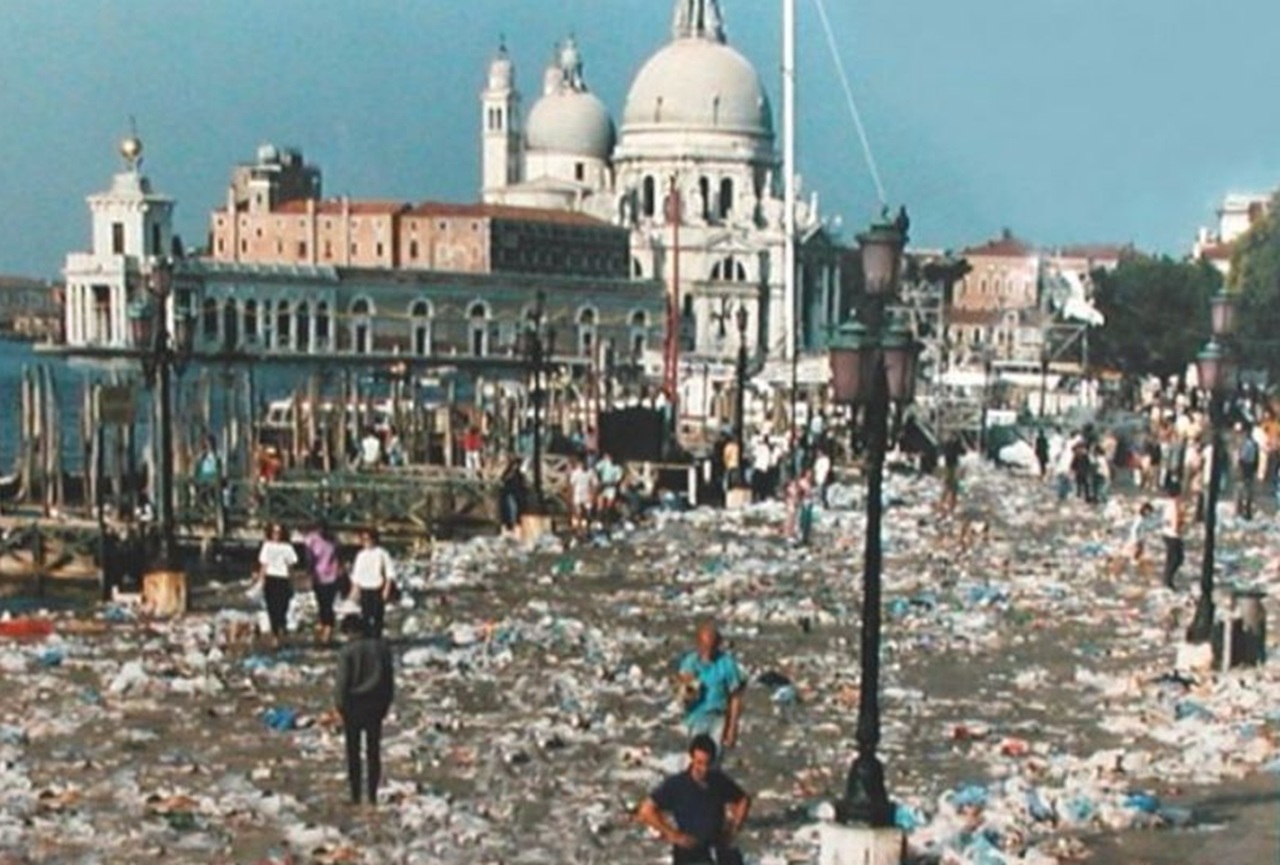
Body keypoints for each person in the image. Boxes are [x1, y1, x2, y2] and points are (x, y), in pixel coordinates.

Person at [636, 734, 751, 865]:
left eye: (708, 763)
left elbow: (743, 799)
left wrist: (733, 828)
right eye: (699, 763)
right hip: (690, 853)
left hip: (717, 846)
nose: (704, 769)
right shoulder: (677, 785)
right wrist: (672, 834)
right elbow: (646, 810)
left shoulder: (718, 781)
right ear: (691, 758)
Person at [334, 614, 395, 807]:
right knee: (373, 751)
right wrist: (385, 705)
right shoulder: (382, 649)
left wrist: (339, 706)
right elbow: (389, 682)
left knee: (353, 752)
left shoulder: (347, 652)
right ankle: (372, 795)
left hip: (353, 706)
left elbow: (342, 683)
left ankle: (355, 796)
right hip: (375, 706)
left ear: (350, 631)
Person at [675, 621, 746, 755]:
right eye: (704, 646)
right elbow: (681, 693)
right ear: (698, 644)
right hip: (696, 717)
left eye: (711, 647)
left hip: (718, 717)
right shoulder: (690, 662)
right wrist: (687, 686)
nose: (707, 651)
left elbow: (735, 697)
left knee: (714, 758)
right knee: (695, 757)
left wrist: (732, 727)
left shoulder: (726, 664)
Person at [253, 523, 299, 647]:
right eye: (274, 532)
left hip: (283, 578)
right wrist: (260, 581)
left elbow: (290, 566)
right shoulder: (267, 546)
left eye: (279, 532)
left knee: (283, 606)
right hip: (271, 578)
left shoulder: (287, 547)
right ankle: (275, 635)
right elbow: (264, 564)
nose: (276, 535)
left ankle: (281, 629)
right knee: (271, 607)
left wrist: (292, 583)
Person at [349, 528, 396, 638]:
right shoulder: (360, 555)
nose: (366, 541)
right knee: (365, 616)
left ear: (374, 539)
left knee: (377, 616)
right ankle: (367, 639)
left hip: (377, 588)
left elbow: (390, 572)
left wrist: (386, 589)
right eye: (364, 539)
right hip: (364, 588)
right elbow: (356, 574)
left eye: (368, 539)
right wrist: (354, 591)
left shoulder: (382, 553)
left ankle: (377, 639)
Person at [303, 520, 342, 644]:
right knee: (321, 602)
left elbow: (337, 556)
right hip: (317, 576)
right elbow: (308, 556)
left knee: (328, 604)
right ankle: (324, 624)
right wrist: (309, 572)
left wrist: (340, 571)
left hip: (332, 575)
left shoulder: (333, 540)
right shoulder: (311, 539)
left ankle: (328, 630)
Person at [1160, 482, 1184, 590]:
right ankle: (1168, 581)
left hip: (1166, 533)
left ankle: (1167, 579)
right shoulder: (1175, 504)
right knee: (1176, 559)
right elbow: (1175, 520)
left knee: (1172, 558)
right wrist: (1178, 529)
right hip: (1173, 535)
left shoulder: (1169, 503)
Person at [498, 457, 527, 535]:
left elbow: (522, 485)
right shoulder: (509, 473)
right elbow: (503, 480)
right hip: (509, 495)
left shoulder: (519, 475)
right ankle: (509, 529)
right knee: (510, 512)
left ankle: (513, 529)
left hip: (515, 495)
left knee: (514, 513)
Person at [1237, 424, 1261, 520]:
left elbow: (1242, 458)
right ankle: (1247, 511)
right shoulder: (1254, 444)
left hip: (1246, 467)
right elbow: (1256, 458)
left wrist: (1240, 466)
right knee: (1249, 490)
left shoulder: (1245, 444)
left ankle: (1243, 510)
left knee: (1243, 489)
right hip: (1250, 468)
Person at [568, 456, 596, 532]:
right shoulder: (576, 473)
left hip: (587, 494)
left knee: (587, 512)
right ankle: (579, 528)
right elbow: (572, 485)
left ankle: (586, 527)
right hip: (577, 494)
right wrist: (571, 496)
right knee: (578, 511)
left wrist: (592, 495)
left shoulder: (590, 472)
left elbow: (594, 484)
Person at [940, 435, 963, 515]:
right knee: (953, 488)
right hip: (953, 466)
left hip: (947, 466)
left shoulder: (946, 444)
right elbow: (962, 452)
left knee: (947, 486)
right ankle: (951, 506)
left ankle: (943, 503)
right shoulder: (955, 444)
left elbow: (942, 452)